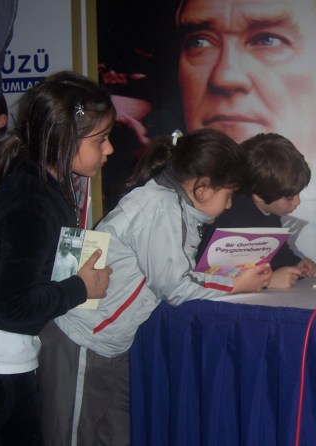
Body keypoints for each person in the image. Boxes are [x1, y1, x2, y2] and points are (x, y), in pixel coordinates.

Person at [38, 128, 273, 445]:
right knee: (72, 438)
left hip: (108, 345)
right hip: (80, 340)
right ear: (203, 188)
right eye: (228, 194)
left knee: (116, 436)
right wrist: (235, 284)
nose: (230, 205)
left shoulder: (177, 210)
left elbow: (177, 275)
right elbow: (175, 286)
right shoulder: (160, 206)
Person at [175, 0, 316, 271]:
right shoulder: (232, 217)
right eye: (200, 42)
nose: (225, 77)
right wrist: (271, 278)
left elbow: (273, 249)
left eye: (268, 40)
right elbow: (215, 272)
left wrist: (296, 263)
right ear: (258, 195)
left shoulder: (266, 211)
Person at [0, 70, 114, 445]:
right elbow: (13, 307)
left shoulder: (43, 184)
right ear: (64, 139)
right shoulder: (31, 200)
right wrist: (81, 287)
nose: (109, 149)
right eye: (101, 139)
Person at [197, 132, 316, 288]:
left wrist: (296, 264)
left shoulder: (270, 214)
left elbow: (276, 252)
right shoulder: (233, 220)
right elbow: (209, 276)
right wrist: (269, 282)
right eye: (289, 197)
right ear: (260, 196)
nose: (297, 201)